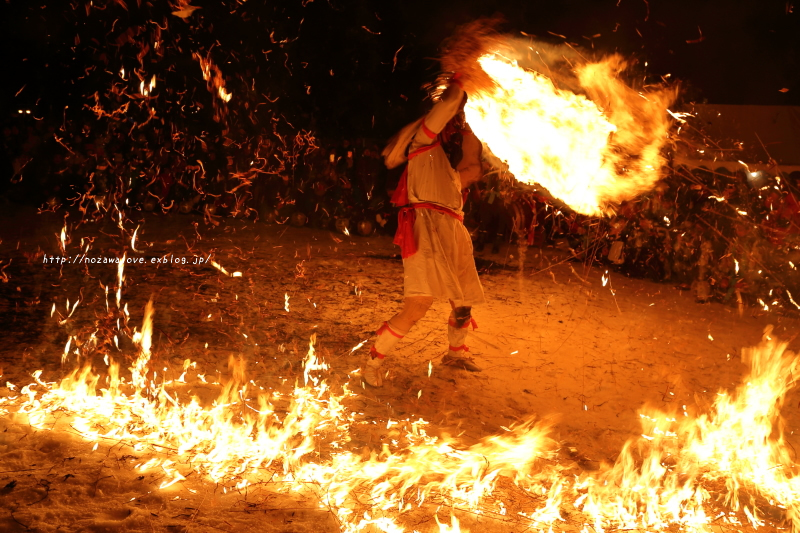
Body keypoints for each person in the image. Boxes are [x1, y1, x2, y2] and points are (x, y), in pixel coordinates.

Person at [364, 75, 485, 387]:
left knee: (464, 300)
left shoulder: (453, 171)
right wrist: (461, 82)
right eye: (453, 124)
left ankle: (455, 354)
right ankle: (374, 360)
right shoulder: (422, 144)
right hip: (426, 228)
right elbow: (445, 107)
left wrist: (476, 119)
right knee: (418, 305)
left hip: (454, 231)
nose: (456, 127)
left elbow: (474, 165)